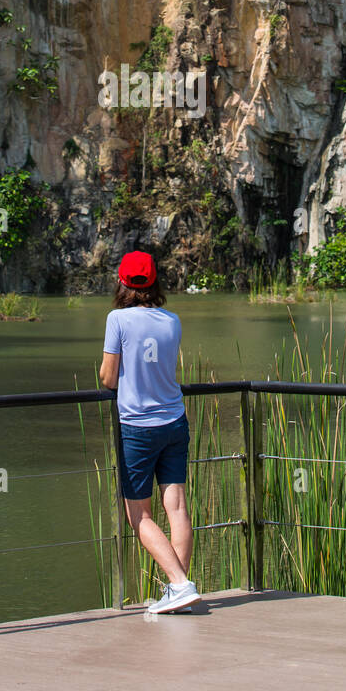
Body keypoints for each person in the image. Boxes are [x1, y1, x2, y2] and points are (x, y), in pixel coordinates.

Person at [98, 251, 200, 614]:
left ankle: (180, 584)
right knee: (176, 508)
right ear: (155, 281)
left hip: (138, 429)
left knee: (138, 515)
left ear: (123, 282)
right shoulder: (172, 320)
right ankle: (179, 594)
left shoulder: (117, 320)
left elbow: (108, 378)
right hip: (175, 423)